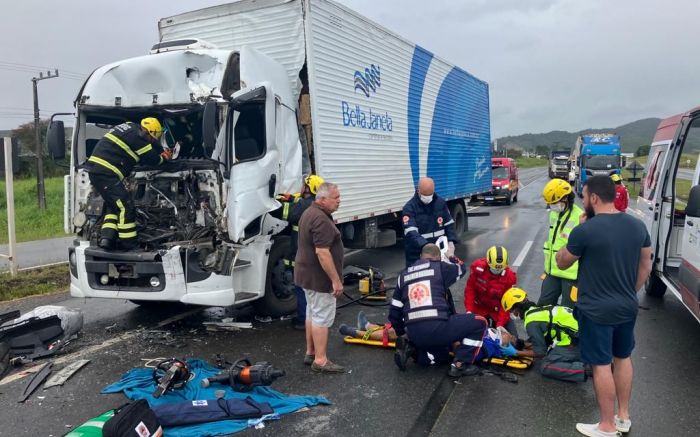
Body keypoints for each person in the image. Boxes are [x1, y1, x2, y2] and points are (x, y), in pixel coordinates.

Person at [555, 175, 652, 437]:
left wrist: (576, 229)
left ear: (594, 198)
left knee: (600, 364)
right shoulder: (637, 226)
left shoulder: (585, 229)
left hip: (596, 309)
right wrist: (630, 291)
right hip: (626, 305)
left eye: (584, 196)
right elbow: (646, 264)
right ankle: (623, 417)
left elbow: (562, 261)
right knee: (623, 357)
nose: (583, 200)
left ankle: (607, 426)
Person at [389, 243, 488, 377]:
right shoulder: (440, 267)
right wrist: (451, 255)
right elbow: (461, 268)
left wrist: (405, 335)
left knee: (441, 357)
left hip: (414, 333)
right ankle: (460, 365)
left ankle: (411, 347)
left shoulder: (403, 276)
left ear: (420, 256)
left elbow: (394, 312)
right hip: (438, 329)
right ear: (439, 258)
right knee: (480, 322)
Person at [85, 118, 172, 250]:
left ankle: (107, 239)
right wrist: (164, 157)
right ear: (148, 133)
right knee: (126, 206)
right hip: (106, 174)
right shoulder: (139, 140)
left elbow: (152, 145)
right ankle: (129, 244)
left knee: (113, 205)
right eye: (153, 138)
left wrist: (160, 149)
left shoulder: (130, 126)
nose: (153, 141)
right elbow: (153, 159)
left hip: (97, 171)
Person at [294, 182, 346, 374]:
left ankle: (311, 352)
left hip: (306, 275)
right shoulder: (321, 220)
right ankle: (321, 360)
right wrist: (336, 280)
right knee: (322, 317)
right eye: (336, 198)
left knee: (312, 313)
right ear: (322, 199)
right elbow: (322, 252)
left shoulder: (310, 212)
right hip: (318, 278)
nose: (339, 201)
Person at [501, 287, 587, 383]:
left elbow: (540, 352)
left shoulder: (531, 322)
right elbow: (544, 336)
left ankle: (584, 369)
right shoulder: (539, 310)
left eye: (511, 311)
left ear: (516, 307)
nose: (511, 314)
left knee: (546, 366)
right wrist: (521, 343)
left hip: (581, 342)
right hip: (587, 333)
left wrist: (516, 352)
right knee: (548, 349)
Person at [275, 174, 325, 330]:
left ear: (309, 188)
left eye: (304, 185)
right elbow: (299, 201)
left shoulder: (304, 207)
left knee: (301, 288)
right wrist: (290, 198)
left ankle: (303, 320)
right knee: (311, 289)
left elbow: (283, 212)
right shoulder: (316, 204)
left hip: (301, 254)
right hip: (311, 254)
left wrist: (271, 201)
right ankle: (313, 317)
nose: (301, 187)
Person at [540, 178, 582, 308]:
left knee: (568, 311)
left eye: (554, 203)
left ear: (566, 199)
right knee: (543, 307)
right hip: (552, 271)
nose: (552, 206)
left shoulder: (580, 217)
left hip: (571, 275)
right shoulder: (554, 214)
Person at [402, 177, 459, 267]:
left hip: (439, 254)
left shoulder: (440, 203)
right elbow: (411, 232)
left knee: (439, 278)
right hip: (417, 255)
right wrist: (427, 247)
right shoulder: (409, 208)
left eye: (430, 195)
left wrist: (451, 241)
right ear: (418, 191)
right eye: (425, 195)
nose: (428, 198)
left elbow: (449, 224)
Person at [463, 245, 518, 332]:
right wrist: (469, 310)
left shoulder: (510, 277)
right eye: (494, 269)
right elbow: (470, 290)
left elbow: (507, 303)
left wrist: (500, 324)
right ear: (488, 263)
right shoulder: (477, 269)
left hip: (498, 310)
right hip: (480, 308)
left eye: (499, 269)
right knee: (472, 332)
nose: (497, 271)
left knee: (513, 336)